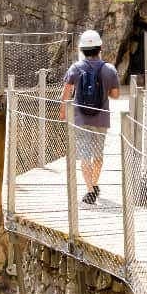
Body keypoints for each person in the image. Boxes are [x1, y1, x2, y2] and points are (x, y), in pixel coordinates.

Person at [61, 29, 121, 204]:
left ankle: (89, 189)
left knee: (84, 155)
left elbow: (66, 92)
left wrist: (63, 111)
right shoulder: (109, 69)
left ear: (81, 50)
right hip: (101, 119)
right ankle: (94, 184)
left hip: (80, 118)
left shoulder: (75, 68)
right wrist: (105, 91)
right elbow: (116, 95)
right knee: (98, 154)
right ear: (100, 47)